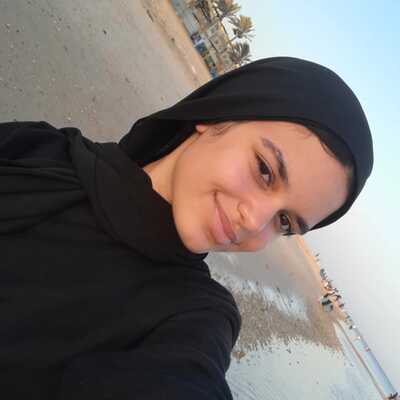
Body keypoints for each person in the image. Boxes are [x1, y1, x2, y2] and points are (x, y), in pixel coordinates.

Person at [0, 57, 373, 399]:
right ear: (217, 117)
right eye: (264, 170)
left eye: (285, 222)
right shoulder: (36, 148)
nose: (255, 221)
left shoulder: (196, 316)